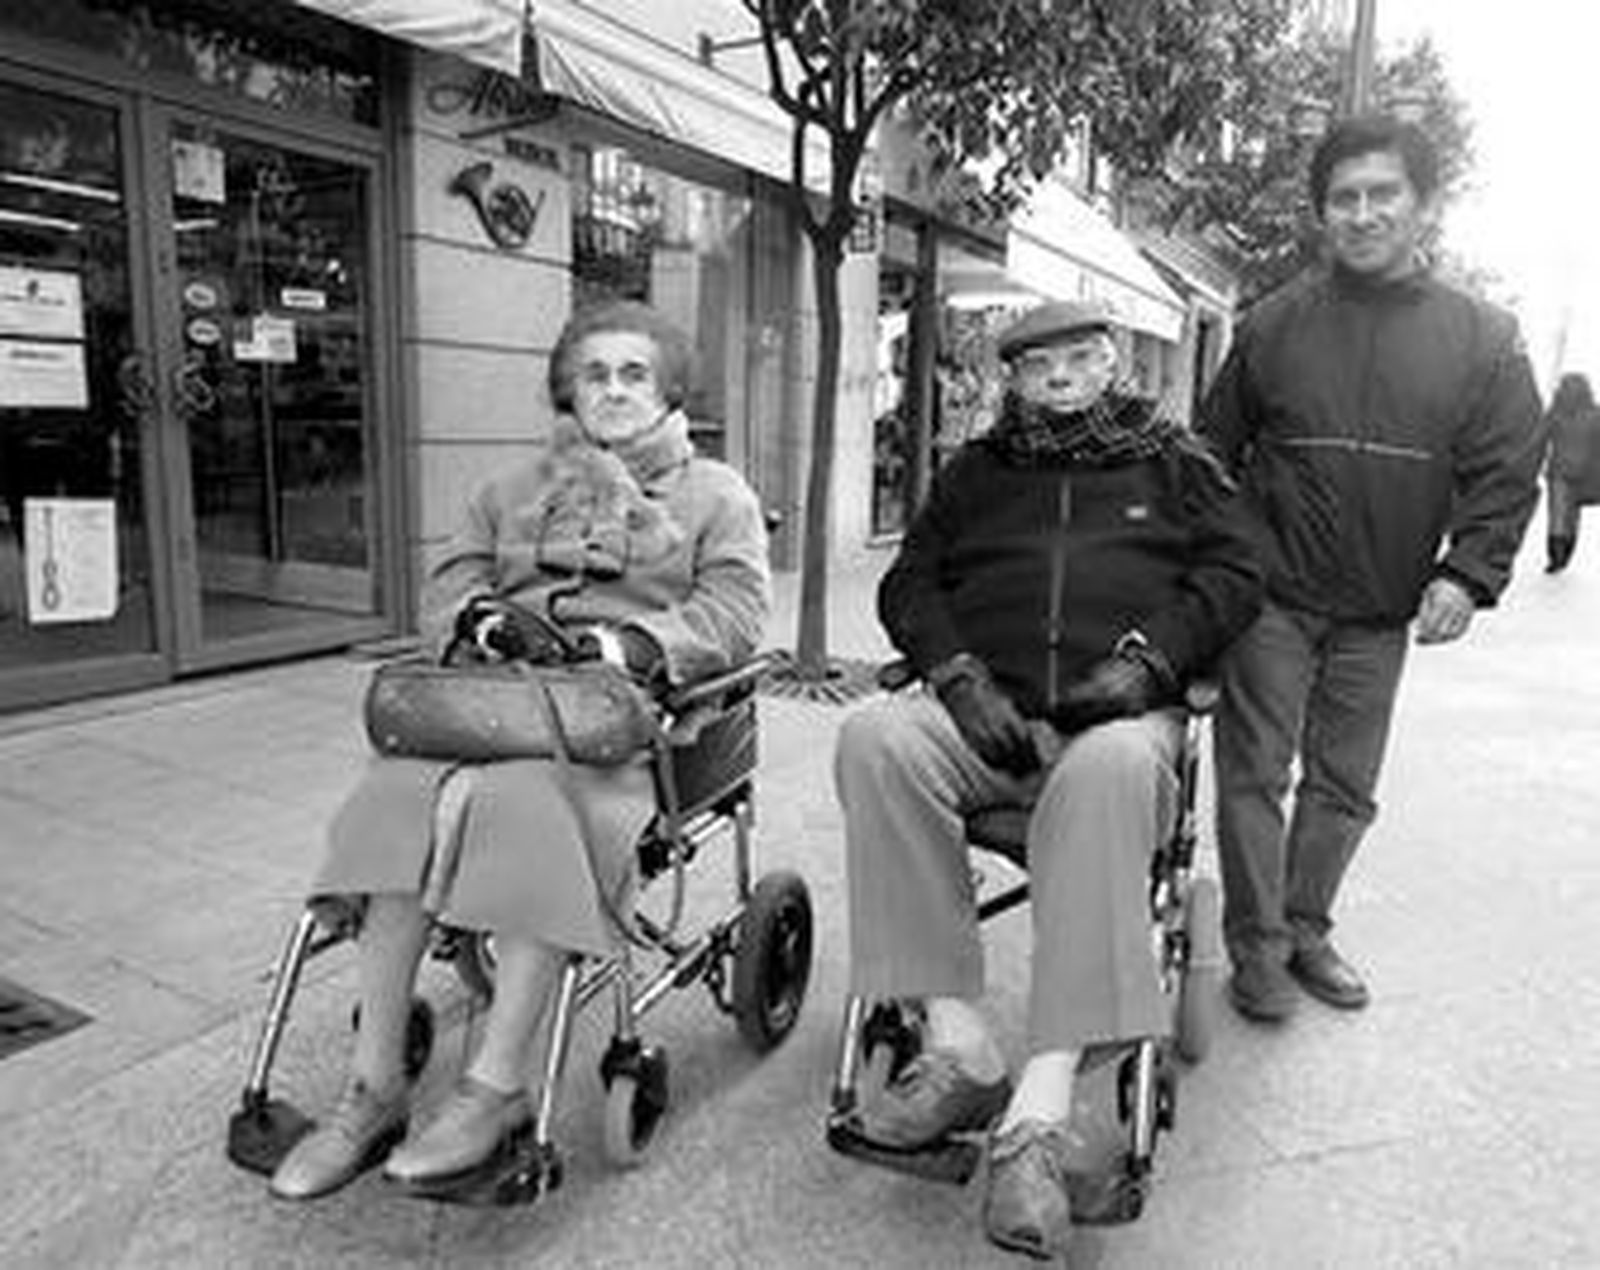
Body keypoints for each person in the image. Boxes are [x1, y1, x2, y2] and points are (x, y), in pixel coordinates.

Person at [269, 301, 770, 1200]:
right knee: (390, 806)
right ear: (567, 388)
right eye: (594, 374)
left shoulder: (716, 494)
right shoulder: (506, 489)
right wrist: (481, 620)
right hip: (487, 709)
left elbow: (736, 615)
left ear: (668, 392)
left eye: (634, 374)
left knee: (526, 809)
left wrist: (630, 646)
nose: (612, 390)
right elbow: (449, 586)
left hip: (617, 733)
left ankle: (494, 1089)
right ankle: (373, 1086)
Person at [835, 300, 1263, 1260]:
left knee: (1108, 769)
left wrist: (1153, 665)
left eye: (1080, 359)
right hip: (988, 712)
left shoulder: (1177, 462)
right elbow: (911, 582)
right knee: (874, 738)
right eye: (1039, 367)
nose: (1060, 378)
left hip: (1116, 720)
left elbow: (1237, 575)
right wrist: (955, 672)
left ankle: (1037, 1109)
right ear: (1014, 381)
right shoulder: (980, 471)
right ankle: (961, 1049)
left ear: (1113, 366)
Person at [1197, 115, 1546, 1025]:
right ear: (1322, 214)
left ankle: (1307, 928)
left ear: (1422, 203)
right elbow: (1208, 454)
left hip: (1381, 610)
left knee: (1345, 786)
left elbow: (1508, 466)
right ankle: (1258, 951)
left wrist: (1467, 574)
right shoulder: (1273, 322)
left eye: (1381, 193)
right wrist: (1235, 558)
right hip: (1272, 598)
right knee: (1253, 776)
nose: (1361, 213)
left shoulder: (1480, 335)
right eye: (1342, 198)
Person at [1542, 371, 1600, 573]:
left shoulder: (1556, 412)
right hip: (1584, 473)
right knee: (1573, 516)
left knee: (1558, 515)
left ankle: (1556, 556)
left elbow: (1540, 437)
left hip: (1558, 471)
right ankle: (1566, 553)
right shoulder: (1595, 413)